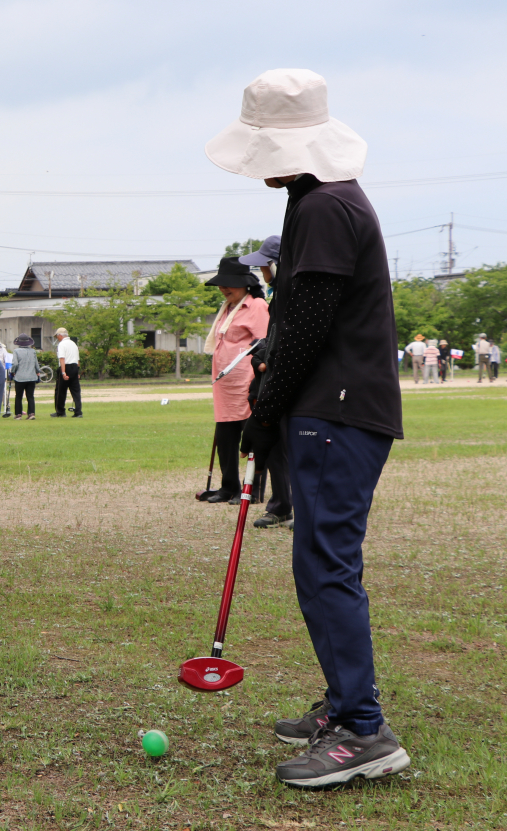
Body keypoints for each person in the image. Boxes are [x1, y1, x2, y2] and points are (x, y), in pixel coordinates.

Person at [209, 68, 409, 785]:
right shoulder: (311, 200)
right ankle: (344, 703)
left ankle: (364, 729)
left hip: (340, 408)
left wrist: (263, 414)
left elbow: (309, 327)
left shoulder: (325, 206)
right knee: (318, 564)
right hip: (328, 407)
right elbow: (296, 323)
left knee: (327, 565)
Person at [200, 258, 270, 504]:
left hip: (247, 380)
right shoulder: (227, 307)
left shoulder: (257, 306)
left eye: (230, 284)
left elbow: (264, 344)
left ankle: (253, 490)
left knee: (251, 436)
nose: (225, 289)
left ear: (245, 284)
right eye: (222, 284)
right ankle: (228, 486)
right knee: (225, 436)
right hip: (224, 384)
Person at [247, 339, 293, 529]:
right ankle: (281, 507)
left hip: (308, 397)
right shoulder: (274, 328)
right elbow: (262, 358)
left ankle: (317, 511)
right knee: (275, 453)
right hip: (274, 398)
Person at [52, 327, 82, 418]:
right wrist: (77, 372)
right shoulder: (73, 344)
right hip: (74, 367)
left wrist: (63, 372)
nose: (57, 338)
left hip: (66, 367)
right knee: (76, 391)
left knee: (60, 391)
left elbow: (62, 358)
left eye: (57, 336)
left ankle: (60, 411)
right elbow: (77, 359)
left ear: (60, 335)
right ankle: (78, 412)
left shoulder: (62, 344)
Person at [11, 333, 40, 419]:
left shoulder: (16, 351)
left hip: (20, 377)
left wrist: (13, 371)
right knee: (30, 396)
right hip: (31, 377)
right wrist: (38, 372)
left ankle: (18, 414)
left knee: (19, 396)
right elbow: (36, 365)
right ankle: (31, 413)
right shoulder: (33, 351)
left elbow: (15, 364)